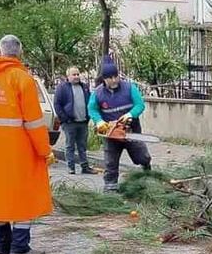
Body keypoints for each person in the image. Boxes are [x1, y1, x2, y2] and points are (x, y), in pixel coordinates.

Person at [0, 35, 54, 254]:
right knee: (23, 197)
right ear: (20, 52)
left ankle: (1, 245)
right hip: (19, 150)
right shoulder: (22, 79)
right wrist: (44, 151)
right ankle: (19, 248)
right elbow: (34, 122)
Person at [89, 57, 152, 192]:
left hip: (130, 128)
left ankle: (147, 170)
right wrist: (99, 121)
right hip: (111, 133)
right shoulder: (98, 93)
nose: (114, 80)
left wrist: (130, 114)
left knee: (142, 156)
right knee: (110, 162)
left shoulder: (129, 88)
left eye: (115, 76)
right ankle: (110, 187)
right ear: (104, 79)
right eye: (110, 78)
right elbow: (92, 109)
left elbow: (139, 105)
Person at [53, 66, 96, 175]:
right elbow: (57, 105)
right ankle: (71, 167)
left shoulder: (84, 87)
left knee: (82, 145)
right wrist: (65, 119)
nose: (76, 76)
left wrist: (88, 117)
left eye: (78, 74)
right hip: (69, 123)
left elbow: (90, 102)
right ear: (68, 76)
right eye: (74, 74)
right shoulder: (62, 88)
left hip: (83, 122)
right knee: (70, 145)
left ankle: (84, 167)